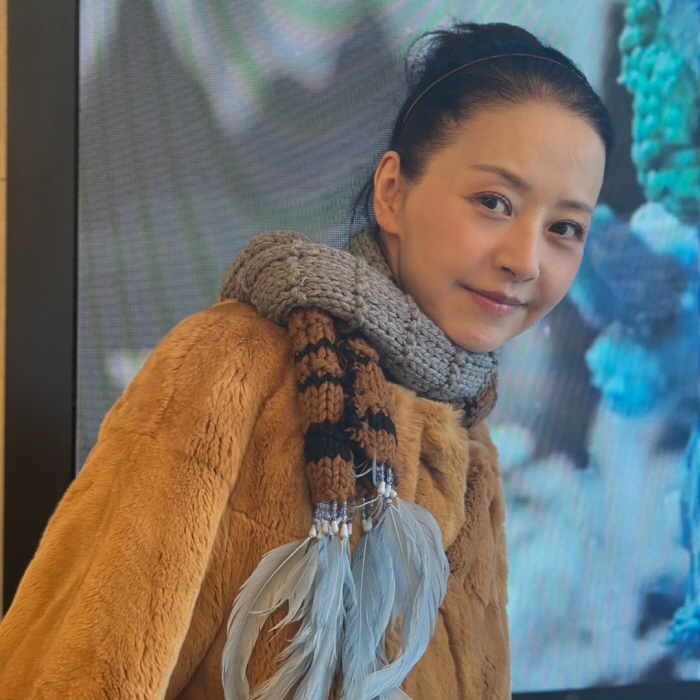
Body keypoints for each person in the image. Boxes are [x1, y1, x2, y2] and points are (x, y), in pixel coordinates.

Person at [0, 21, 612, 700]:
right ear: (392, 192)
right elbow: (77, 672)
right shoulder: (235, 363)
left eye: (565, 228)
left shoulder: (467, 440)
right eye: (493, 202)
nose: (525, 260)